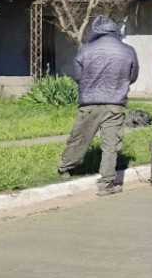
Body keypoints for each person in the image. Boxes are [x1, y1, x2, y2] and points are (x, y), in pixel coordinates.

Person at [58, 14, 139, 197]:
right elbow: (133, 76)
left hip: (89, 103)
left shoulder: (85, 50)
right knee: (111, 144)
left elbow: (77, 76)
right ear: (115, 30)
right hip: (115, 104)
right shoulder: (128, 50)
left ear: (95, 30)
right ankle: (106, 184)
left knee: (80, 138)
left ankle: (65, 168)